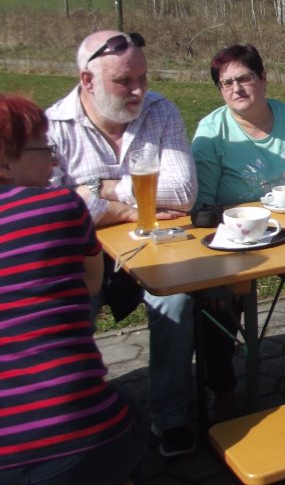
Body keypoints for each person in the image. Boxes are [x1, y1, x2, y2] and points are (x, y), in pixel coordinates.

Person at [46, 30, 199, 457]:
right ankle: (75, 419)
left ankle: (170, 417)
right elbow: (54, 207)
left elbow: (183, 191)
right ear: (87, 80)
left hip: (156, 246)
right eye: (124, 81)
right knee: (70, 310)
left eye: (143, 78)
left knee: (176, 300)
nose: (138, 90)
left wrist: (101, 189)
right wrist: (132, 208)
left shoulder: (159, 109)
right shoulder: (53, 126)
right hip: (81, 256)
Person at [192, 44, 285, 417]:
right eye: (226, 83)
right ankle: (223, 388)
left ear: (263, 78)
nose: (236, 88)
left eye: (244, 78)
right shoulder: (212, 132)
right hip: (238, 239)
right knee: (216, 308)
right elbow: (202, 209)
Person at [0, 95, 147, 483]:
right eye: (45, 149)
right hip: (75, 436)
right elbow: (91, 284)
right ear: (4, 163)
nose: (55, 161)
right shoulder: (59, 206)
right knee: (134, 413)